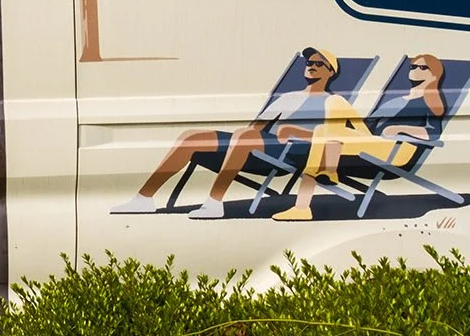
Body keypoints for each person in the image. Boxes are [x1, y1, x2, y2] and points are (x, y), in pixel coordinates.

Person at [113, 46, 350, 219]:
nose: (311, 66)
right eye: (309, 62)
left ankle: (215, 202)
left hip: (293, 153)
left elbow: (337, 138)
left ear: (331, 72)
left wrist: (295, 131)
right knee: (191, 138)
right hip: (264, 144)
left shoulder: (334, 101)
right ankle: (143, 198)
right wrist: (238, 143)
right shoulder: (287, 98)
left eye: (319, 64)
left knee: (243, 137)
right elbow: (255, 128)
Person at [274, 54, 449, 221]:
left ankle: (306, 202)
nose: (414, 69)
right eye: (413, 66)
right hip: (373, 140)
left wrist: (397, 128)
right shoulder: (399, 98)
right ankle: (326, 171)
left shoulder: (431, 99)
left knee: (326, 130)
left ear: (434, 74)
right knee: (333, 105)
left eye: (422, 67)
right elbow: (370, 126)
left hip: (397, 150)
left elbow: (432, 133)